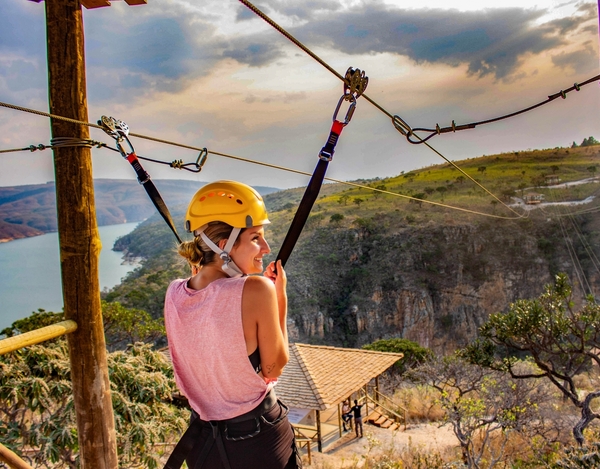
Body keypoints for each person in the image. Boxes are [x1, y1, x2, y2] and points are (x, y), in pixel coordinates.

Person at [163, 180, 301, 469]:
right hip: (256, 440)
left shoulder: (175, 292)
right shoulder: (256, 289)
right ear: (224, 245)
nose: (266, 247)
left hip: (202, 445)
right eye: (255, 238)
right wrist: (280, 298)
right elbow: (273, 367)